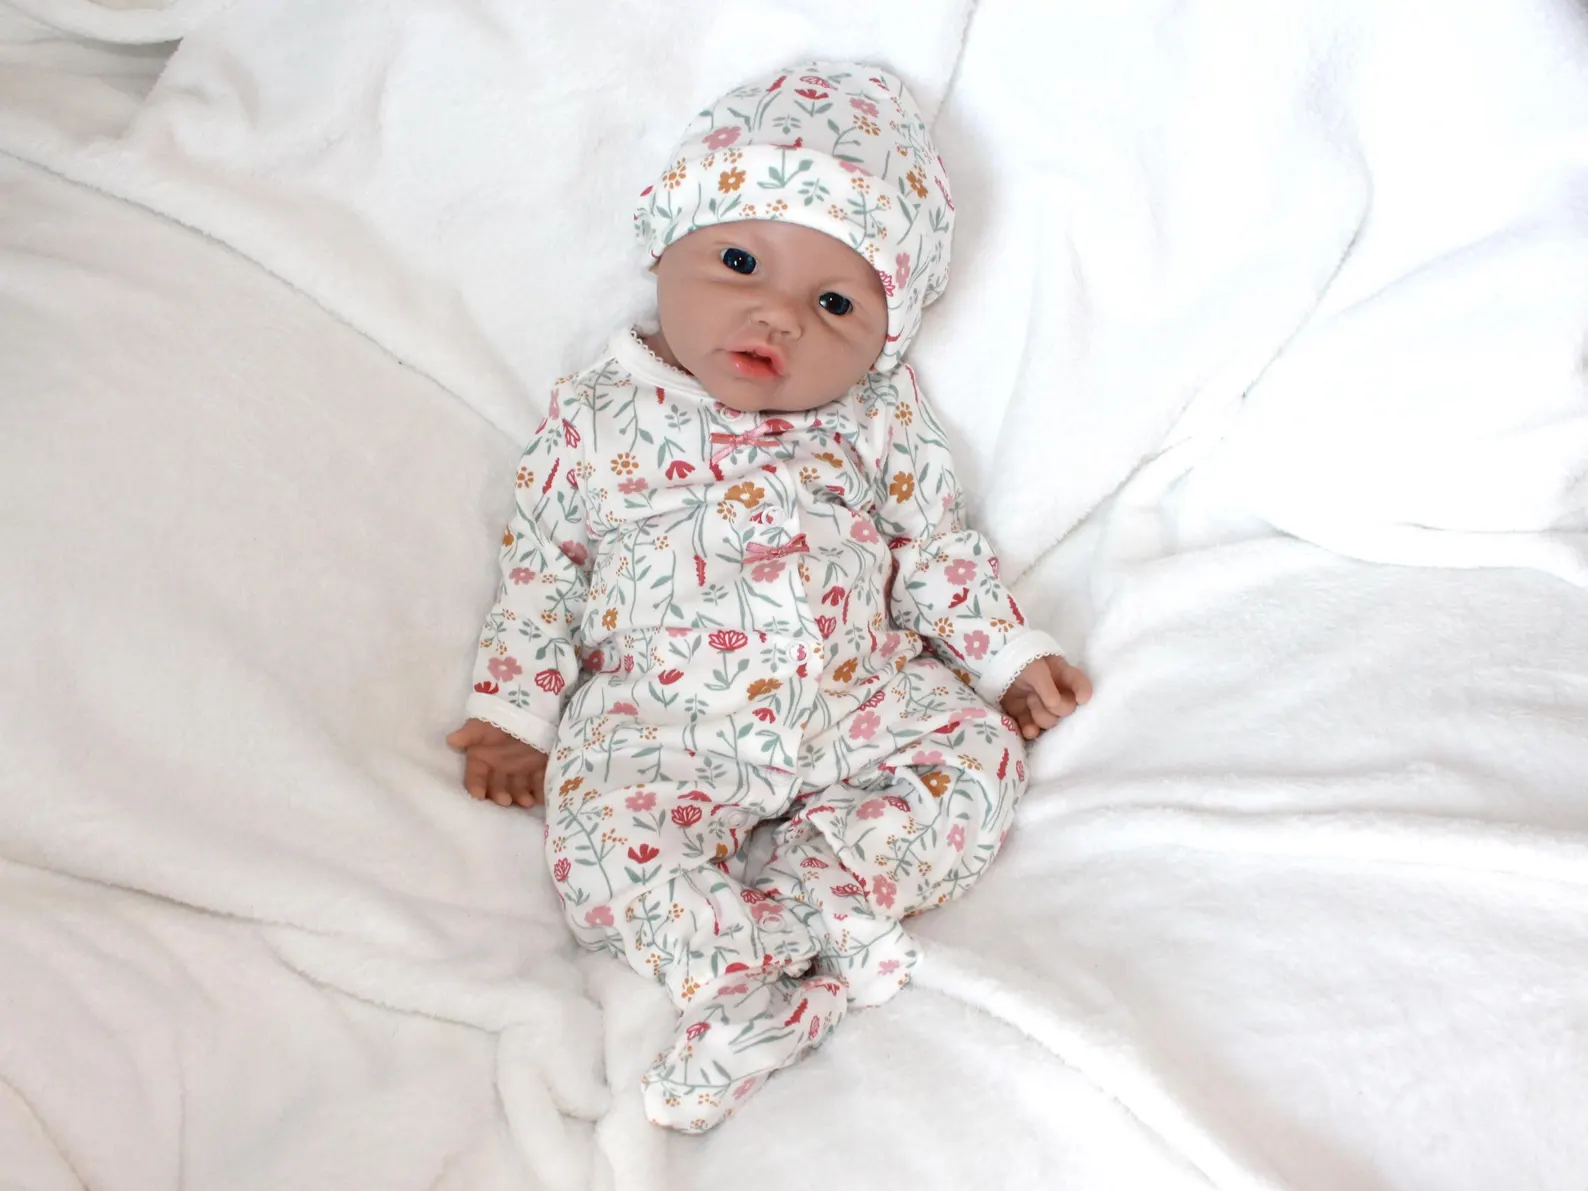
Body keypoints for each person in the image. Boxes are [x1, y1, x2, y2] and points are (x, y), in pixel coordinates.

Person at [447, 60, 1091, 1133]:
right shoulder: (600, 414)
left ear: (883, 336)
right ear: (666, 246)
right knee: (601, 830)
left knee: (976, 755)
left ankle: (811, 908)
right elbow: (544, 564)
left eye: (834, 303)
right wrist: (515, 711)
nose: (776, 314)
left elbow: (932, 542)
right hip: (666, 714)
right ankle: (740, 990)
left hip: (859, 697)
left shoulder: (875, 414)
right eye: (739, 260)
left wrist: (1004, 654)